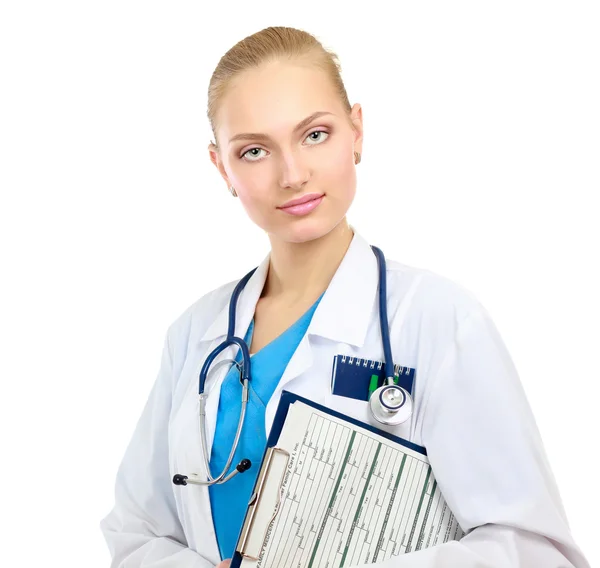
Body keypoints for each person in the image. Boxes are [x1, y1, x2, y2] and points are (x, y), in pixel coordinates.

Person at [99, 26, 590, 568]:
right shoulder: (194, 334)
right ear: (223, 169)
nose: (293, 174)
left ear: (356, 132)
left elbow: (535, 551)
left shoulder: (438, 321)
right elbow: (137, 533)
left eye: (315, 135)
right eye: (255, 151)